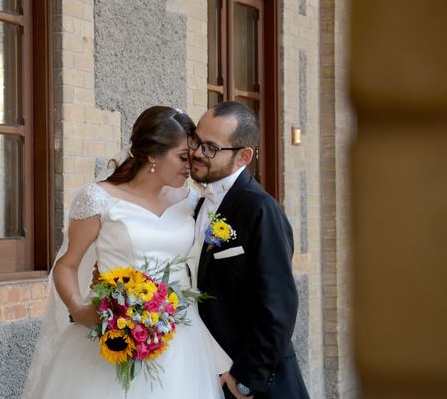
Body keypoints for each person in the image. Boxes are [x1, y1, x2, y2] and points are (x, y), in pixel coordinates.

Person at [22, 106, 224, 399]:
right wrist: (79, 310)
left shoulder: (193, 201)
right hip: (112, 330)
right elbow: (67, 265)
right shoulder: (99, 199)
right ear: (153, 154)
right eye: (182, 157)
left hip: (182, 339)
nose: (189, 166)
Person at [188, 102, 309, 399]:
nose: (197, 153)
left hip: (252, 384)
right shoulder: (200, 204)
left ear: (244, 156)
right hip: (205, 372)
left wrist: (246, 377)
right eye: (196, 141)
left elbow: (278, 304)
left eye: (211, 148)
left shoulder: (260, 209)